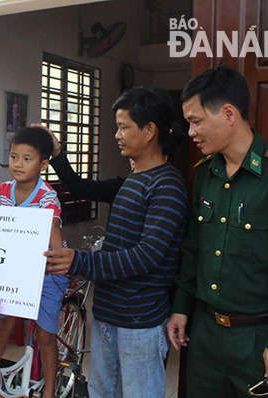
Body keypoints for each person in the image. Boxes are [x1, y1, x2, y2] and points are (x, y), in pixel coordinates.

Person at [166, 65, 268, 397]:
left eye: (196, 121)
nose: (190, 132)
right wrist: (180, 305)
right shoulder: (205, 174)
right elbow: (193, 248)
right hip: (206, 337)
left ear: (229, 113)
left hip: (260, 340)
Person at [41, 87, 189, 398]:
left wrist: (79, 260)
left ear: (149, 131)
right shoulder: (131, 181)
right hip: (108, 315)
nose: (117, 135)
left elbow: (146, 256)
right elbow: (80, 187)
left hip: (139, 323)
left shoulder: (167, 186)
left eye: (124, 127)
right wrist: (56, 154)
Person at [0, 126, 68, 398]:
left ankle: (49, 391)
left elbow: (52, 233)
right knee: (1, 325)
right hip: (14, 270)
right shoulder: (3, 190)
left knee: (44, 336)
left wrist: (57, 261)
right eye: (14, 157)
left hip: (47, 271)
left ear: (43, 164)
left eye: (27, 159)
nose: (18, 164)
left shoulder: (47, 197)